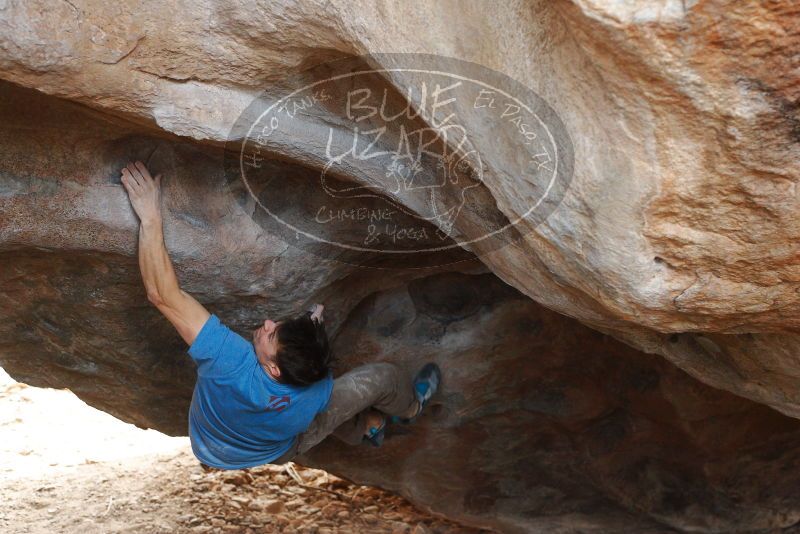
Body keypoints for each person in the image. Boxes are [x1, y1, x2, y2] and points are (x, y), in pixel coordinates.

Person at [120, 161, 441, 470]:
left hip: (212, 444)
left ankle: (388, 419)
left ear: (274, 368)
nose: (268, 324)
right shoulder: (317, 390)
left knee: (346, 401)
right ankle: (400, 410)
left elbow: (162, 295)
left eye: (272, 333)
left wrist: (149, 215)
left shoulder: (230, 363)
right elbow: (317, 379)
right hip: (277, 447)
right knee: (366, 389)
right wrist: (309, 335)